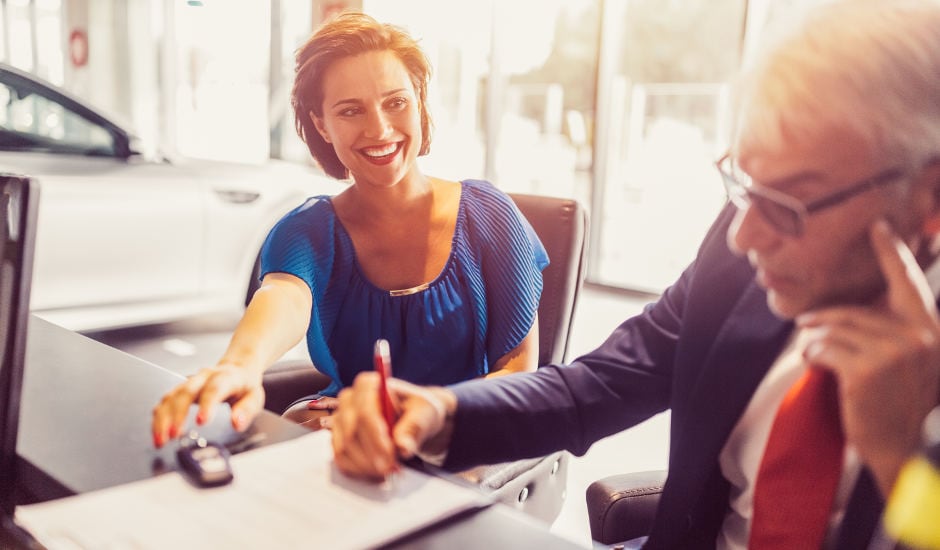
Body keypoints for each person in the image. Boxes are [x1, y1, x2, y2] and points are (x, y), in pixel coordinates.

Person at [329, 1, 940, 548]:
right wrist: (441, 413)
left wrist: (904, 462)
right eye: (745, 183)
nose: (743, 235)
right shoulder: (741, 249)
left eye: (788, 204)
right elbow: (597, 385)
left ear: (928, 197)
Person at [151, 12, 548, 446]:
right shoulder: (308, 229)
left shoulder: (489, 215)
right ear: (322, 124)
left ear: (419, 99)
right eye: (350, 110)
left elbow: (517, 368)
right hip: (349, 433)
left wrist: (420, 424)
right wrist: (240, 364)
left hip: (462, 439)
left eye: (396, 102)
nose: (379, 129)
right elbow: (284, 296)